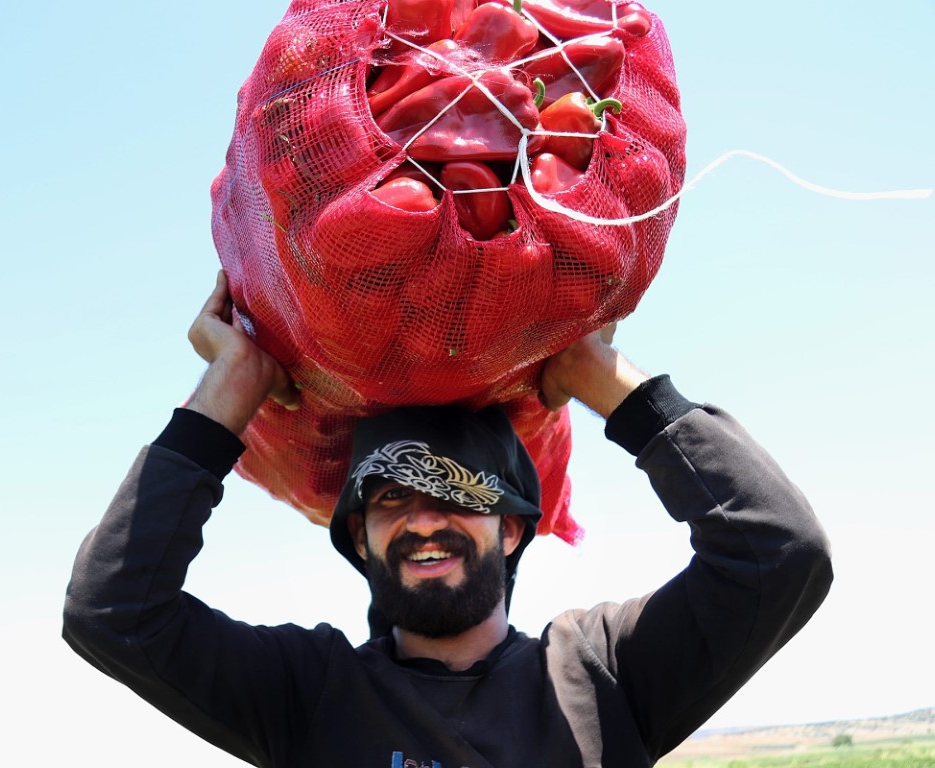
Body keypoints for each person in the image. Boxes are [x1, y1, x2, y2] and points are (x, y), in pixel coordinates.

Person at [63, 271, 832, 767]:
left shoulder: (602, 672)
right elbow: (111, 613)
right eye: (390, 500)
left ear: (513, 529)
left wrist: (609, 385)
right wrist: (229, 389)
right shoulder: (308, 694)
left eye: (461, 494)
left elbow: (779, 554)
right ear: (360, 543)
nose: (424, 520)